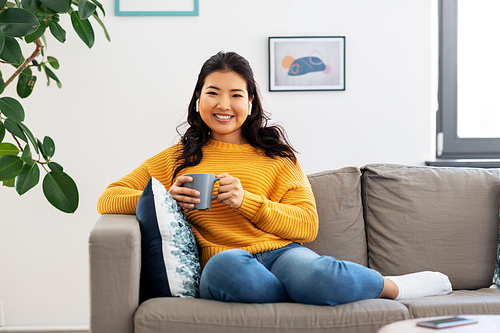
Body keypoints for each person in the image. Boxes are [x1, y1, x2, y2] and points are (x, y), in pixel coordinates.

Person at [97, 51, 452, 305]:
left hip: (281, 256)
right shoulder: (178, 157)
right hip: (227, 261)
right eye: (213, 93)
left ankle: (394, 288)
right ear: (198, 100)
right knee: (223, 269)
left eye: (236, 95)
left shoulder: (276, 155)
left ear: (250, 102)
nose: (224, 104)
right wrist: (168, 196)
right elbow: (109, 197)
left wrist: (247, 202)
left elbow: (307, 225)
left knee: (318, 275)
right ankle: (300, 298)